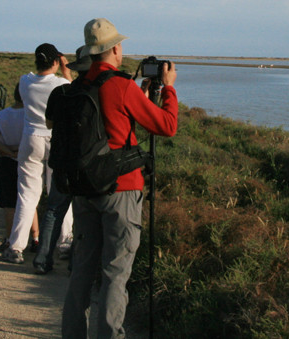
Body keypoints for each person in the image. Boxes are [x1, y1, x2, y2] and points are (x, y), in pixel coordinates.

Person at [62, 19, 178, 338]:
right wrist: (167, 88)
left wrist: (138, 96)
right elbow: (166, 126)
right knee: (115, 273)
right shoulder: (121, 86)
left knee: (82, 271)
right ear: (114, 49)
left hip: (84, 189)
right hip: (121, 190)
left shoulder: (78, 86)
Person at [3, 43, 72, 264]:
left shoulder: (25, 82)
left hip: (31, 138)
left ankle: (16, 247)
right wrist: (66, 68)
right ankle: (65, 244)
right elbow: (70, 90)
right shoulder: (61, 83)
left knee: (27, 195)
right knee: (59, 193)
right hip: (55, 140)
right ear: (55, 61)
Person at [33, 46, 91, 275]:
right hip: (85, 163)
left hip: (61, 160)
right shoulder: (94, 94)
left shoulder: (61, 92)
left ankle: (42, 259)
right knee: (83, 215)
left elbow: (49, 124)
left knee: (54, 210)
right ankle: (76, 264)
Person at [0, 83, 38, 252]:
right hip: (29, 160)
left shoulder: (2, 115)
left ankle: (10, 239)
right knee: (30, 199)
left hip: (7, 160)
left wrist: (9, 152)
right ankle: (35, 237)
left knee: (10, 203)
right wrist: (20, 150)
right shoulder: (32, 115)